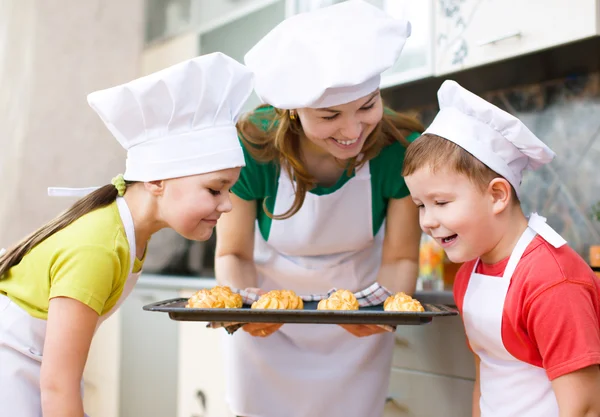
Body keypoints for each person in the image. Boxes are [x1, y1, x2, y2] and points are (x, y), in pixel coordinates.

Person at [0, 52, 254, 417]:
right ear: (155, 180)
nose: (228, 205)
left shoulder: (127, 232)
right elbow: (58, 386)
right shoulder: (99, 248)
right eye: (215, 190)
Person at [214, 2, 423, 416]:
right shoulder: (254, 144)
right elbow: (233, 253)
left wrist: (381, 314)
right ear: (293, 109)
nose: (352, 131)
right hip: (265, 322)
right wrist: (244, 308)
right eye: (329, 116)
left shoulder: (400, 146)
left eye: (367, 106)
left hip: (361, 320)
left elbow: (400, 257)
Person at [402, 79, 600, 417]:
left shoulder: (551, 280)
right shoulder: (470, 275)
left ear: (497, 195)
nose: (427, 221)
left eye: (441, 202)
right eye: (421, 205)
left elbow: (584, 407)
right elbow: (487, 375)